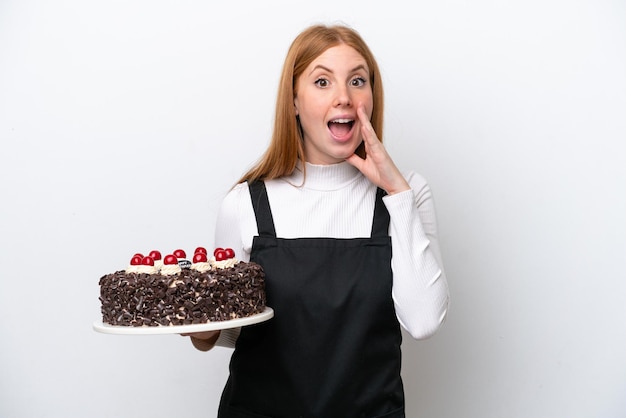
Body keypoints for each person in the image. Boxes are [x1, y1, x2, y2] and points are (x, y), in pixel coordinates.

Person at [185, 23, 449, 417]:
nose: (343, 97)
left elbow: (424, 321)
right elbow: (234, 328)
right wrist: (204, 331)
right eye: (322, 82)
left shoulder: (406, 194)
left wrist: (397, 193)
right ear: (293, 100)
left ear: (372, 97)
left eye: (357, 81)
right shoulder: (246, 203)